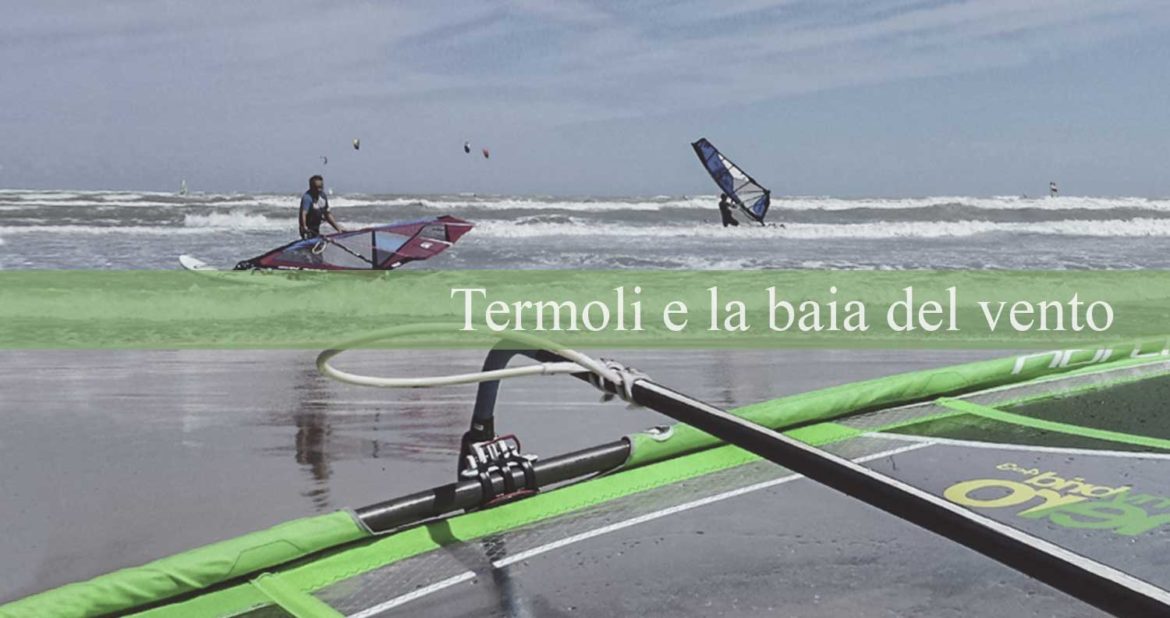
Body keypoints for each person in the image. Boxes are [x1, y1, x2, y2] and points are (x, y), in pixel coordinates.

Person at [299, 175, 344, 239]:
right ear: (311, 187)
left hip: (316, 228)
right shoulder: (307, 198)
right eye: (316, 187)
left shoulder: (322, 196)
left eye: (320, 187)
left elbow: (327, 214)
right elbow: (303, 213)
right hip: (307, 230)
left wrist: (338, 229)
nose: (319, 190)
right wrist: (304, 227)